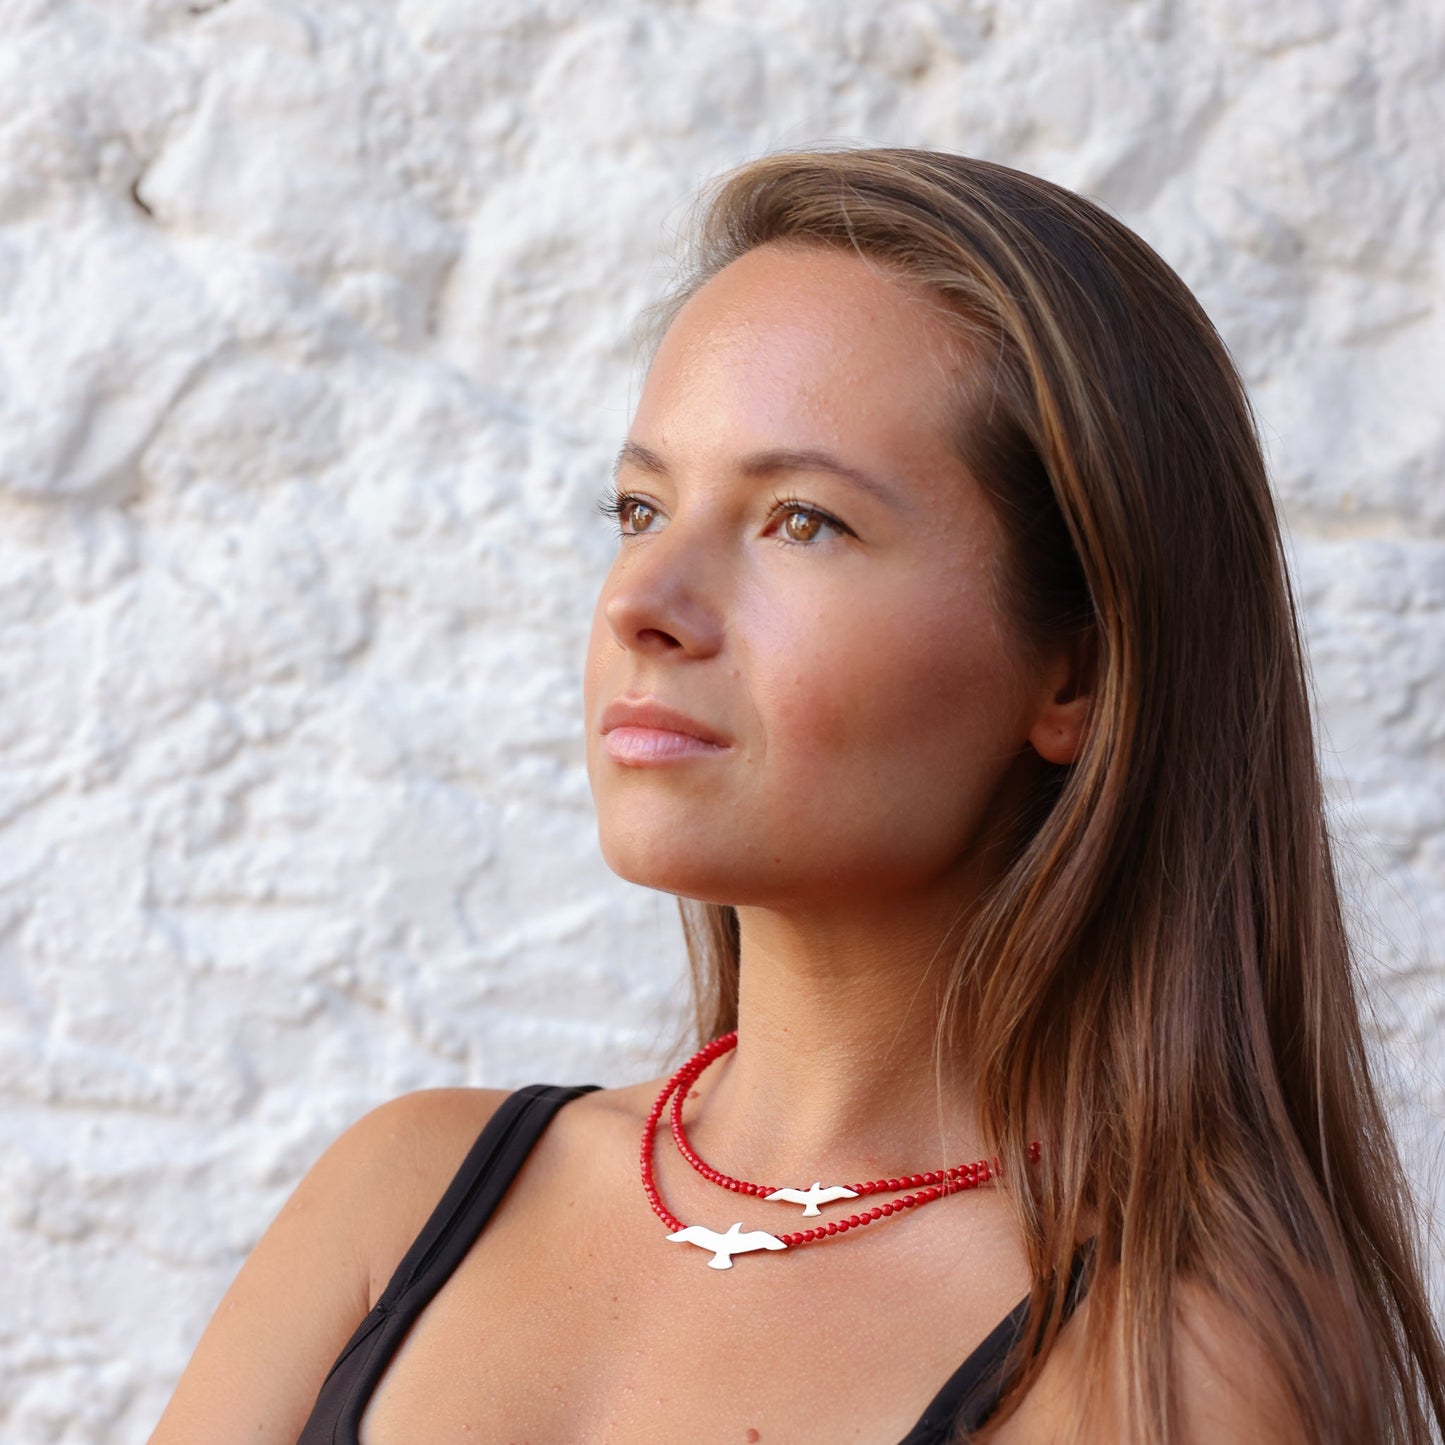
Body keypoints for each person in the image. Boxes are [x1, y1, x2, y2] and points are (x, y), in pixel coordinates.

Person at [149, 148, 1445, 1444]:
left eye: (801, 521)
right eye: (639, 505)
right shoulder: (407, 1196)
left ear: (1081, 669)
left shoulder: (1164, 1368)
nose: (639, 603)